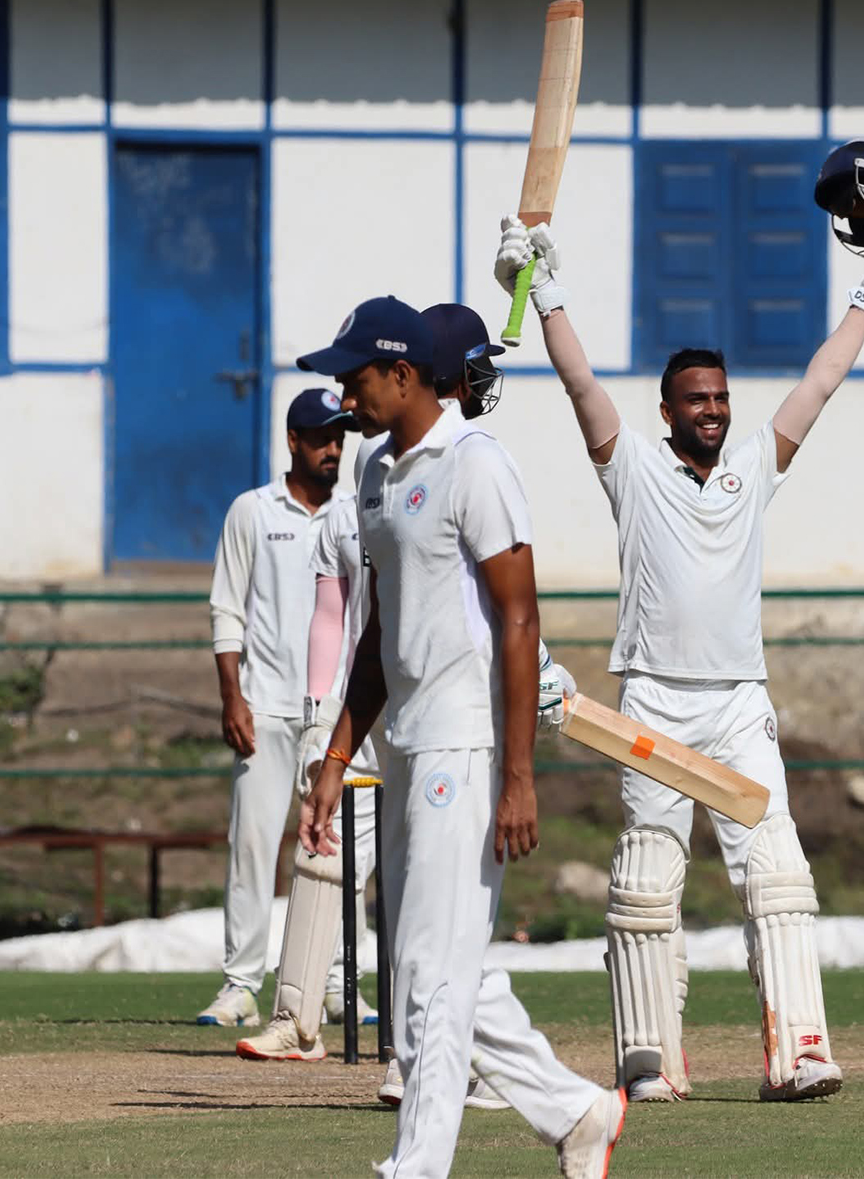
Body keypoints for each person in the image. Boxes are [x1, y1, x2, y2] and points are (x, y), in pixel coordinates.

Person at [493, 207, 864, 1102]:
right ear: (668, 410)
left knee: (777, 873)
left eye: (722, 399)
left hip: (737, 703)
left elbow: (820, 383)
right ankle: (650, 1061)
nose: (714, 411)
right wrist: (544, 291)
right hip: (653, 701)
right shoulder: (632, 468)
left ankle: (799, 1051)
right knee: (647, 881)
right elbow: (580, 387)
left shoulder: (752, 470)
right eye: (697, 400)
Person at [297, 296, 624, 1178]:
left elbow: (520, 620)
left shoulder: (476, 464)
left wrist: (519, 775)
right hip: (405, 746)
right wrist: (335, 759)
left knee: (432, 982)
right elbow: (378, 630)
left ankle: (416, 1167)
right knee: (436, 966)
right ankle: (578, 1113)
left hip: (469, 748)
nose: (345, 397)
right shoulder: (372, 471)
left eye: (356, 378)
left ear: (403, 374)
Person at [199, 388, 354, 1027]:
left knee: (338, 850)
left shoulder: (353, 514)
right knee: (253, 846)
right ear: (293, 441)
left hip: (334, 713)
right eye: (321, 439)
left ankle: (339, 984)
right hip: (263, 706)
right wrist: (232, 696)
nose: (332, 449)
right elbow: (226, 608)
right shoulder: (253, 511)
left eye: (339, 438)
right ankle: (241, 985)